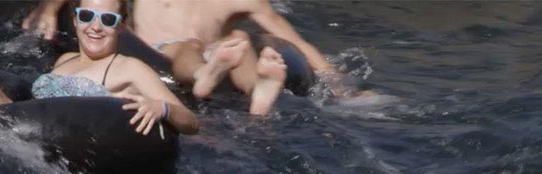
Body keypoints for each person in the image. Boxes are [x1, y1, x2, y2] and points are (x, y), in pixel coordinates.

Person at [0, 0, 198, 135]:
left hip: (42, 133)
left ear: (121, 27)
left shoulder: (129, 67)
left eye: (108, 20)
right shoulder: (64, 61)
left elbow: (191, 121)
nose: (95, 27)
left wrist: (162, 109)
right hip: (29, 121)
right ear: (74, 21)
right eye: (87, 17)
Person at [22, 0, 345, 115]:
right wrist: (50, 7)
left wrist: (341, 86)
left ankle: (257, 93)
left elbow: (294, 42)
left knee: (240, 41)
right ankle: (230, 85)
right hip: (162, 55)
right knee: (188, 46)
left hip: (210, 58)